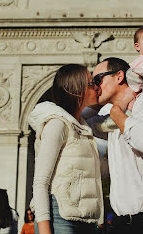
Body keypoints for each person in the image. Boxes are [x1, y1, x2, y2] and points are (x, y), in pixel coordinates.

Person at [83, 57, 143, 234]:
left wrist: (116, 111)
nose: (95, 86)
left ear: (119, 76)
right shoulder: (111, 114)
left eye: (97, 80)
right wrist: (96, 101)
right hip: (123, 223)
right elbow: (79, 122)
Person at [29, 64, 104, 234]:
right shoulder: (56, 124)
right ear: (77, 89)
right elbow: (40, 183)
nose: (97, 87)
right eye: (92, 83)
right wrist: (45, 231)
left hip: (86, 220)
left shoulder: (83, 127)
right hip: (59, 217)